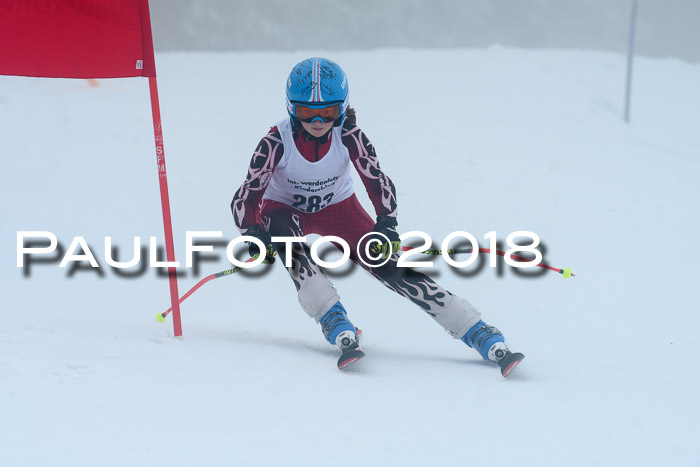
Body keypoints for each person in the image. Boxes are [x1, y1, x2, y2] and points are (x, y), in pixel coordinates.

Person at [231, 57, 524, 376]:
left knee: (390, 265)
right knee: (291, 249)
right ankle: (333, 317)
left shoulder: (349, 135)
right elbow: (246, 196)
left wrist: (387, 223)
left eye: (327, 112)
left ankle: (473, 328)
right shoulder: (275, 142)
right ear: (291, 109)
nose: (317, 120)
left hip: (338, 210)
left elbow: (377, 180)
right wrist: (253, 230)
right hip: (284, 210)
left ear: (341, 108)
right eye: (306, 112)